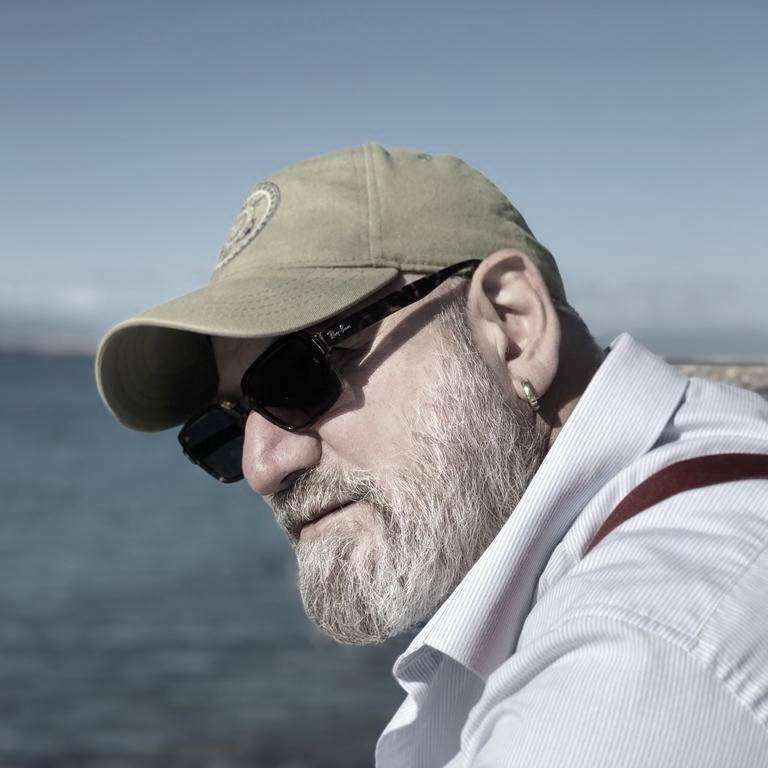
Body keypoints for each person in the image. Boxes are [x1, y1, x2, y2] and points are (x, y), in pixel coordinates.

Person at [95, 144, 768, 767]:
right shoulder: (696, 465)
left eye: (299, 375)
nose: (262, 467)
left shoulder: (638, 665)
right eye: (226, 424)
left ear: (512, 325)